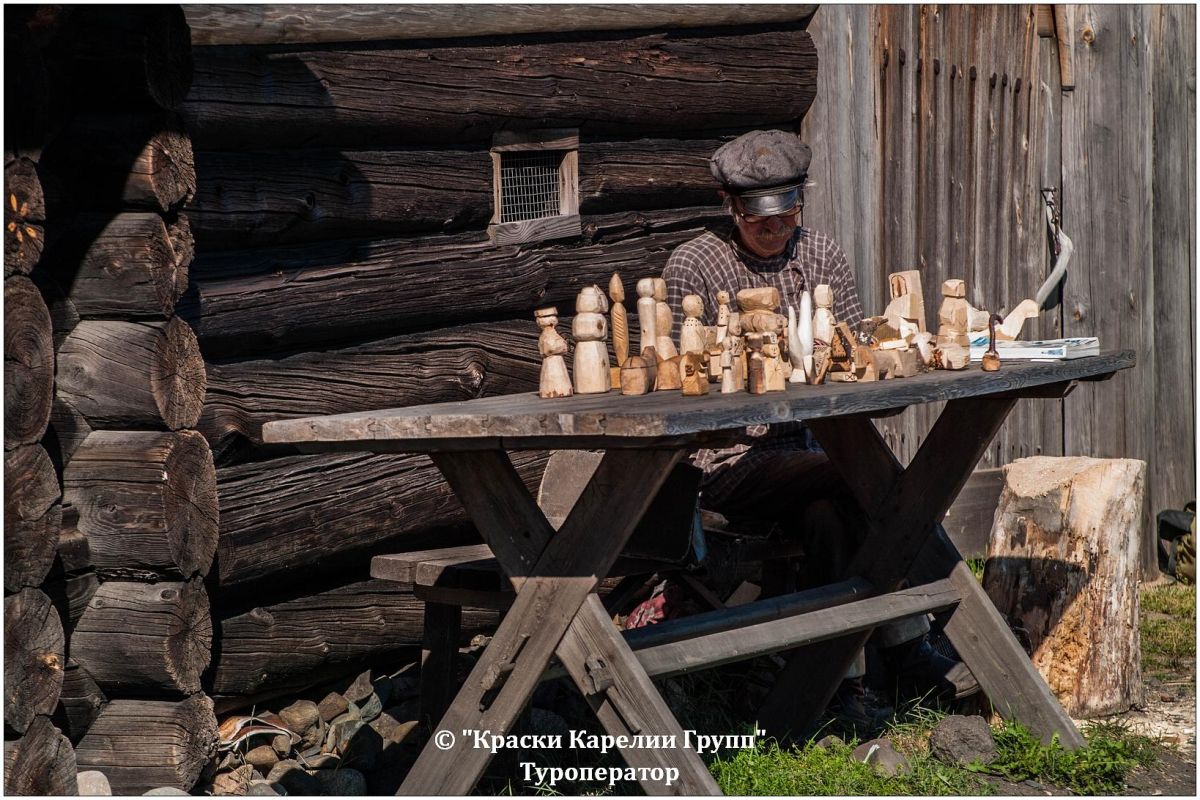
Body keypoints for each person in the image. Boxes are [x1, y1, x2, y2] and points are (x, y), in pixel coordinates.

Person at [662, 130, 978, 733]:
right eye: (761, 222)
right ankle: (915, 642)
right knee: (879, 487)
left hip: (811, 453)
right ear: (732, 206)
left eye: (786, 217)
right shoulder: (697, 264)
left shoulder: (821, 255)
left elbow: (855, 353)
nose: (776, 232)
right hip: (730, 462)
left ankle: (845, 682)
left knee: (834, 510)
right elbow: (688, 383)